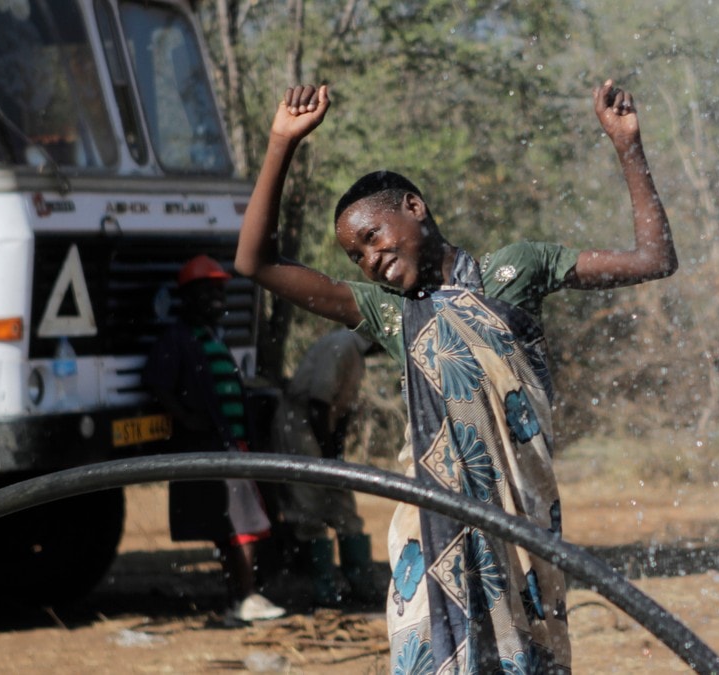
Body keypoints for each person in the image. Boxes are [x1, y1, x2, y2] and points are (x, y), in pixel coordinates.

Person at [235, 79, 675, 672]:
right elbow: (254, 263)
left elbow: (654, 259)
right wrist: (281, 142)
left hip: (521, 525)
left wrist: (628, 147)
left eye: (372, 237)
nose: (369, 260)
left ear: (414, 207)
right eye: (355, 258)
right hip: (430, 532)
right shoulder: (389, 313)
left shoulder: (517, 270)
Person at [143, 254, 286, 624]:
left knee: (233, 526)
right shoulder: (179, 339)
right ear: (188, 297)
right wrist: (188, 418)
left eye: (220, 291)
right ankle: (248, 598)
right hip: (215, 446)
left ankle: (237, 600)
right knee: (246, 523)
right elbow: (157, 383)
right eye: (208, 293)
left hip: (232, 443)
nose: (217, 300)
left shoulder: (210, 339)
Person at [271, 328, 387, 608]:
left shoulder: (355, 354)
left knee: (343, 508)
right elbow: (318, 404)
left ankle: (359, 582)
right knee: (309, 506)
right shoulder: (343, 346)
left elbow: (340, 409)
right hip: (301, 428)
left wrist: (335, 453)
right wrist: (327, 454)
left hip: (321, 431)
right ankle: (323, 589)